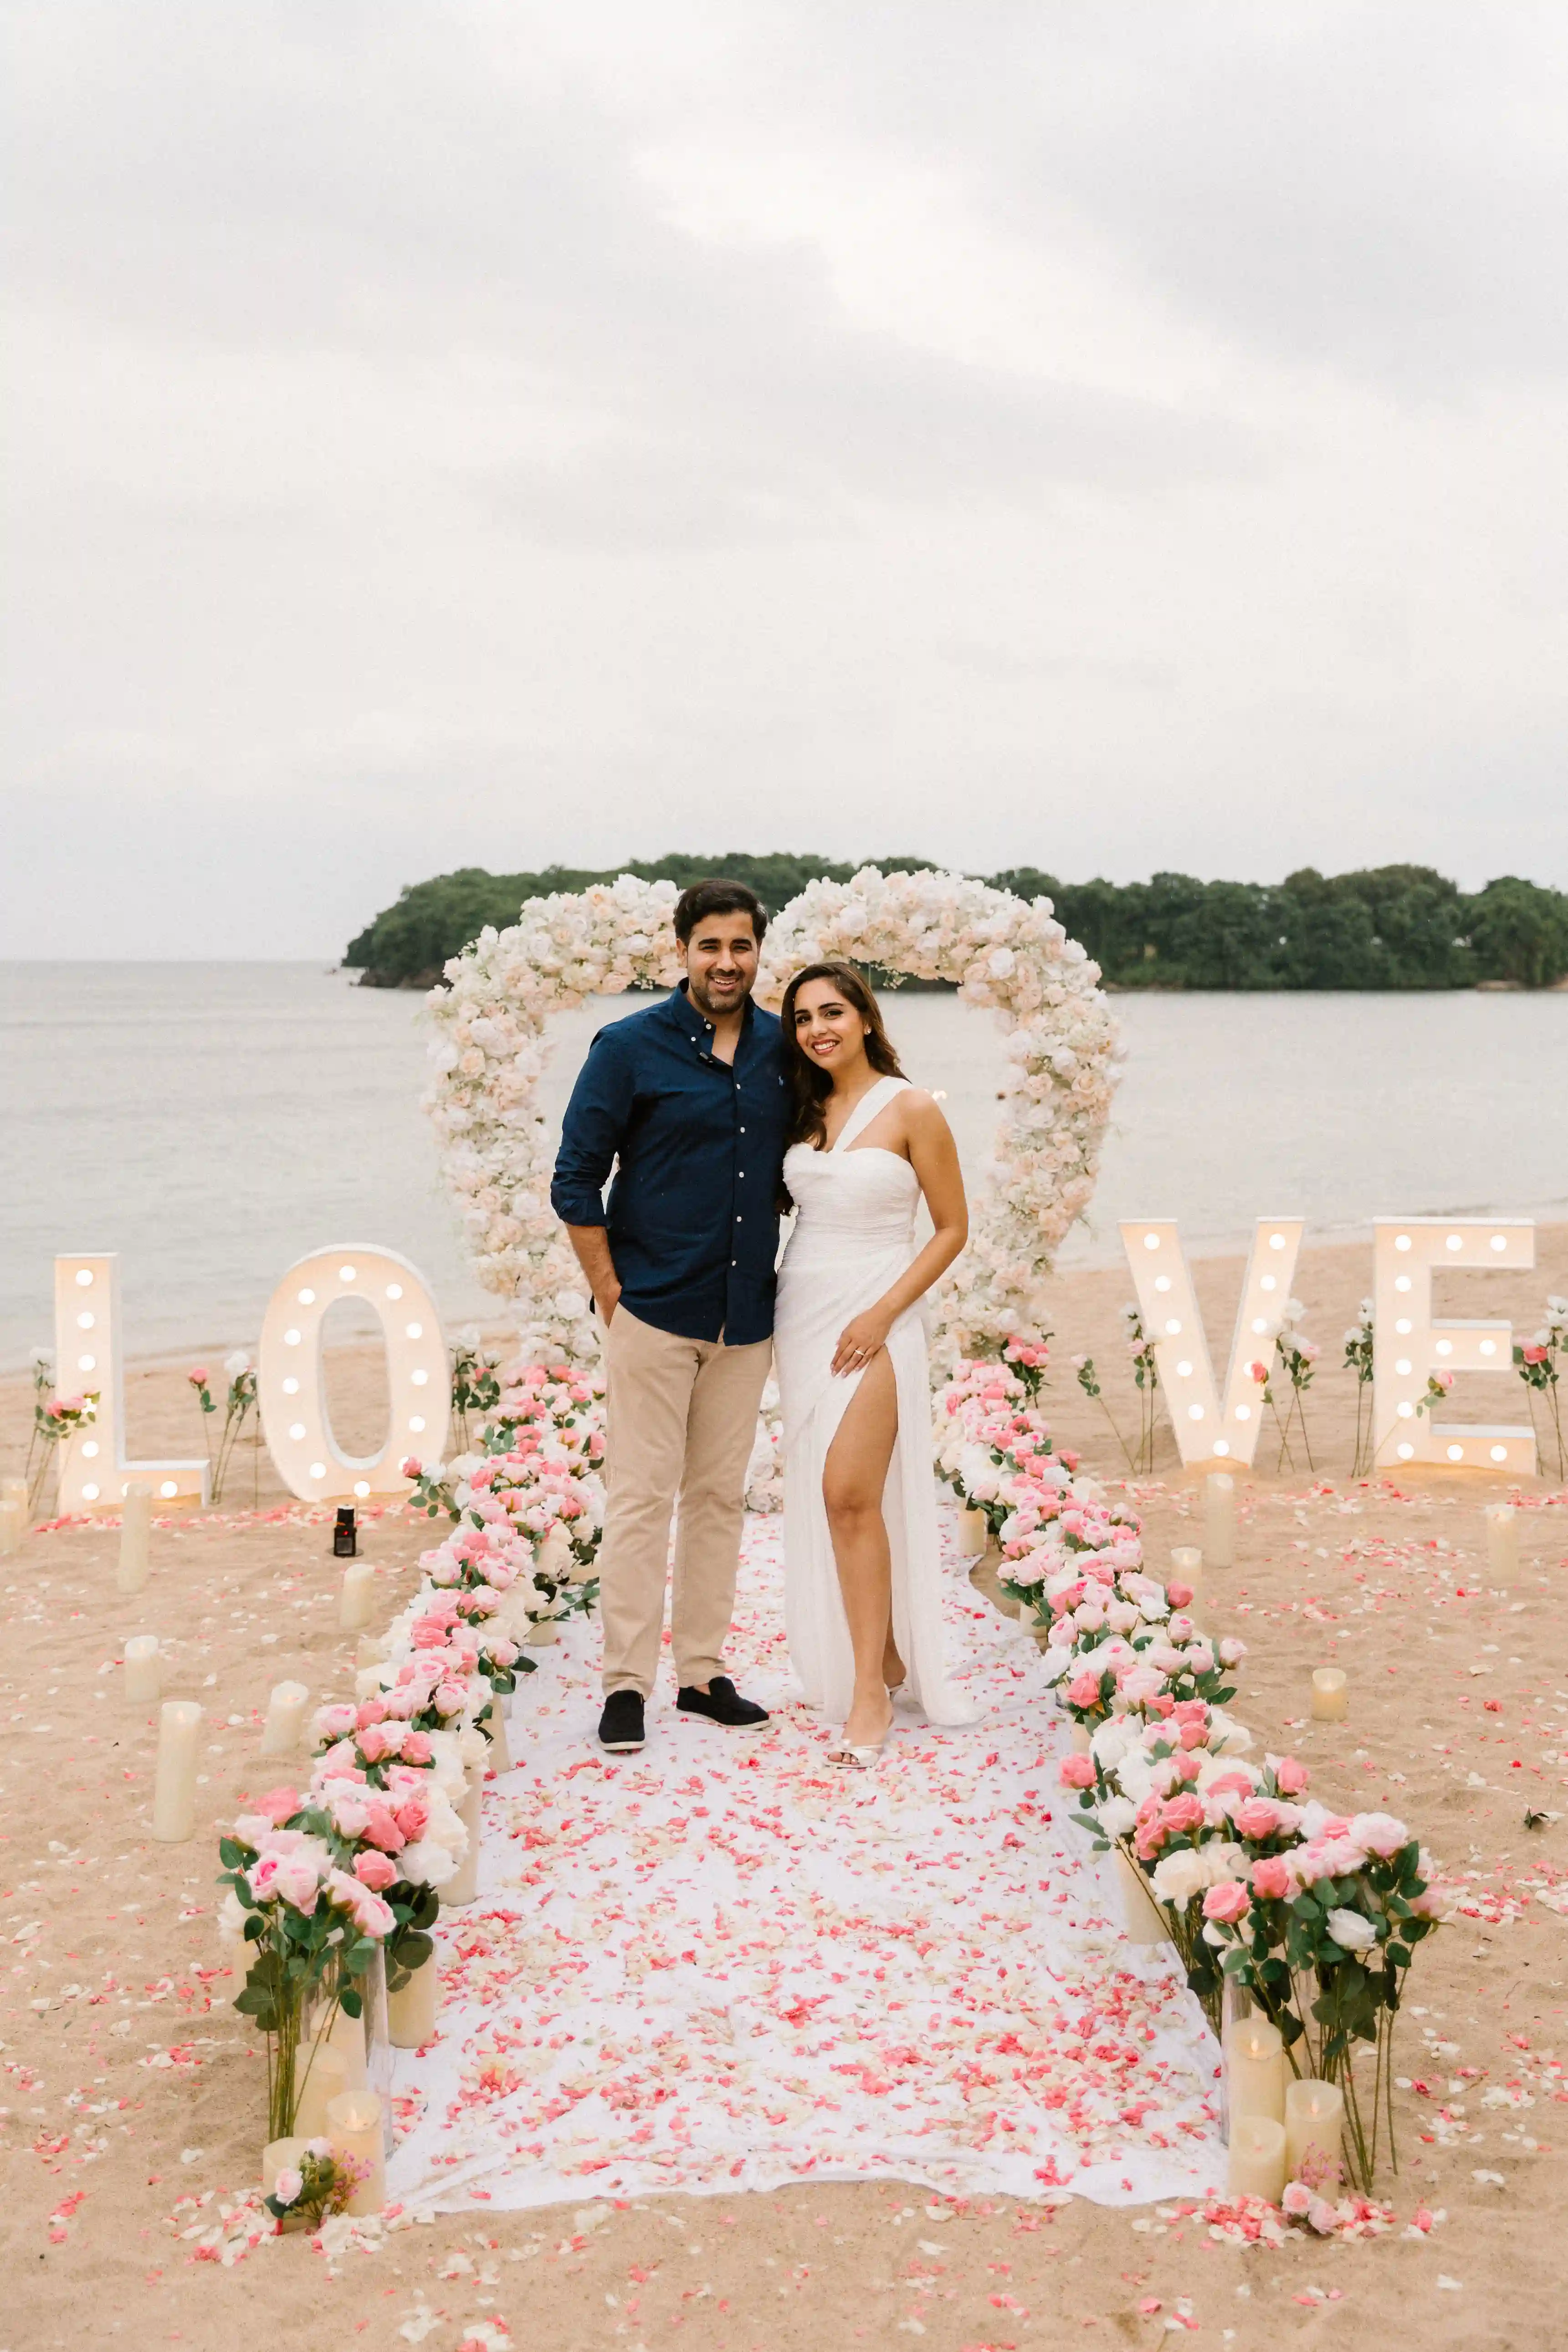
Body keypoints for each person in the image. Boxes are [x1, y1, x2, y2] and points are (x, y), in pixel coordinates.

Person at [551, 879, 789, 1753]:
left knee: (719, 1498)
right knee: (641, 1500)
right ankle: (624, 1684)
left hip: (745, 1319)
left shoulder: (782, 1048)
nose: (726, 963)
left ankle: (700, 1672)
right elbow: (575, 1178)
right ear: (681, 949)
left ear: (759, 951)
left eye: (741, 947)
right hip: (650, 1310)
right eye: (709, 946)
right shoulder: (627, 1048)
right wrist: (611, 1294)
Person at [774, 960, 975, 1764]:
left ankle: (869, 1693)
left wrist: (884, 1311)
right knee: (834, 1498)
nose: (817, 1028)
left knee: (850, 1491)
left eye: (831, 1011)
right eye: (800, 1019)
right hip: (802, 1313)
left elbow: (953, 1228)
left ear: (864, 1015)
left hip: (877, 1311)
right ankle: (881, 1653)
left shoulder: (913, 1106)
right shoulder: (798, 1107)